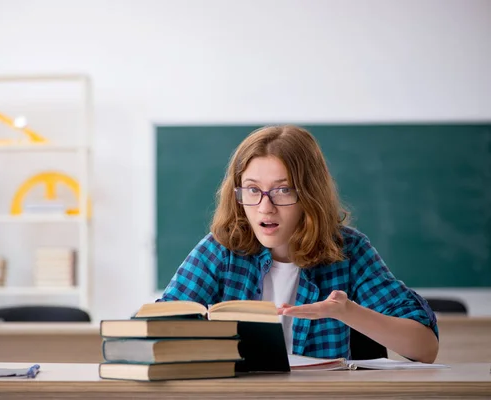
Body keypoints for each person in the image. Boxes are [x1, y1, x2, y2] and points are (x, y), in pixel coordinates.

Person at [158, 125, 439, 363]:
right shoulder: (220, 250)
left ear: (310, 194)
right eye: (253, 190)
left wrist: (348, 312)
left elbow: (425, 349)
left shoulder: (349, 251)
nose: (265, 207)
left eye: (282, 190)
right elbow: (156, 330)